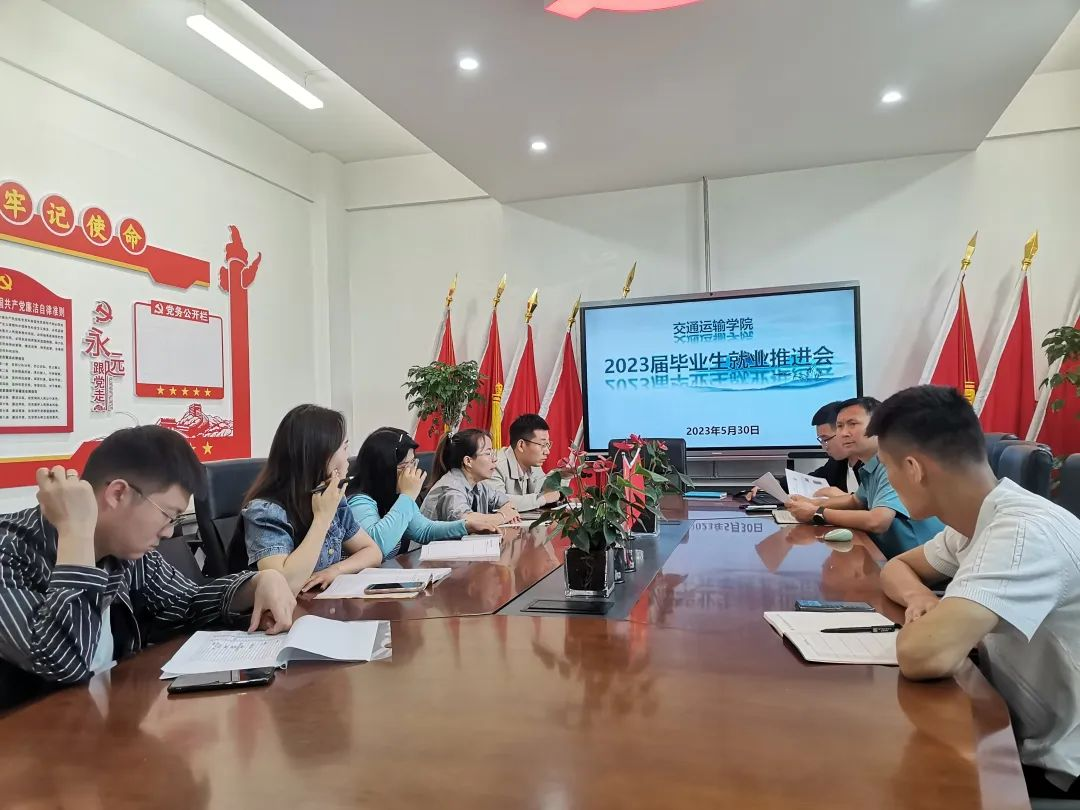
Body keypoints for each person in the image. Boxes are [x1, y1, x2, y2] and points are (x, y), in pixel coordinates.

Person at [871, 385, 1080, 799]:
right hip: (1014, 726)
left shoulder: (1022, 533)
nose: (890, 481)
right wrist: (919, 597)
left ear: (913, 469)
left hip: (1058, 764)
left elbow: (925, 655)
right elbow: (897, 567)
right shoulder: (976, 518)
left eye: (887, 468)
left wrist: (936, 625)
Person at [0, 425, 296, 709]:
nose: (169, 532)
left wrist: (255, 584)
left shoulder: (129, 554)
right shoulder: (9, 550)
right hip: (34, 735)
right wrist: (76, 533)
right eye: (168, 515)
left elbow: (187, 602)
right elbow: (65, 662)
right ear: (118, 494)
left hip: (110, 718)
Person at [241, 404, 382, 595]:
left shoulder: (330, 497)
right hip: (277, 612)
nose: (348, 457)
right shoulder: (265, 511)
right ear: (322, 455)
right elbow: (282, 587)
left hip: (318, 605)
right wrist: (322, 519)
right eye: (345, 447)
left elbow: (372, 551)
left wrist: (335, 571)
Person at [785, 396, 943, 559]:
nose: (843, 433)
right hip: (894, 556)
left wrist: (816, 513)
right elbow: (856, 501)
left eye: (852, 424)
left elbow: (878, 521)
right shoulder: (871, 464)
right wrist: (811, 502)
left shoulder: (896, 461)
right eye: (839, 426)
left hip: (925, 561)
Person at [345, 427, 503, 558]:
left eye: (413, 462)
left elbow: (424, 530)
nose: (413, 470)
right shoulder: (358, 501)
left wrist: (466, 526)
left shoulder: (395, 496)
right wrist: (407, 496)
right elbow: (377, 547)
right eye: (406, 465)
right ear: (384, 468)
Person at [421, 429, 520, 524]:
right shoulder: (450, 488)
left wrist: (508, 510)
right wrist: (502, 516)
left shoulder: (479, 485)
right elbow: (467, 521)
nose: (494, 459)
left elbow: (506, 502)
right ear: (468, 461)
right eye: (488, 453)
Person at [490, 414, 562, 511]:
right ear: (521, 445)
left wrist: (562, 476)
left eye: (548, 444)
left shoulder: (533, 464)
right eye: (542, 444)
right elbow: (497, 502)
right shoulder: (494, 465)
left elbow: (547, 492)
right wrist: (541, 499)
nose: (547, 451)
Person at [807, 400, 860, 496]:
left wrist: (842, 497)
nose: (824, 447)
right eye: (821, 440)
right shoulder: (837, 462)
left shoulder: (876, 464)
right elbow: (813, 479)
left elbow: (875, 502)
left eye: (825, 439)